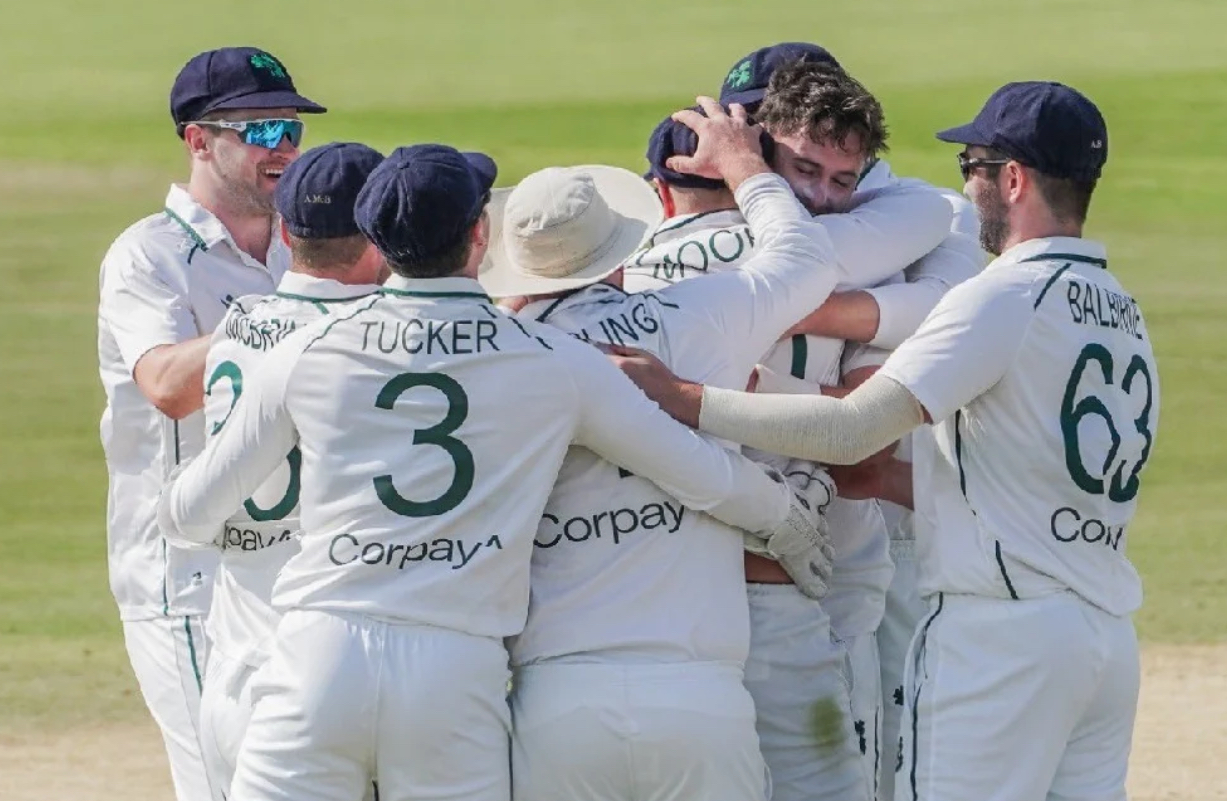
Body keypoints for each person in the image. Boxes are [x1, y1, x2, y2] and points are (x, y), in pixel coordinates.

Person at [155, 142, 832, 801]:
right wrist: (788, 522)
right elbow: (697, 471)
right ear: (479, 236)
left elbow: (186, 512)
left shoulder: (306, 349)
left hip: (316, 653)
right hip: (455, 667)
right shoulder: (553, 359)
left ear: (377, 242)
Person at [612, 81, 1159, 801]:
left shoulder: (1002, 295)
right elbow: (1025, 476)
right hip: (1105, 641)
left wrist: (683, 397)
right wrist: (900, 481)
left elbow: (851, 428)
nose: (966, 185)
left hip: (1001, 638)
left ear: (1014, 178)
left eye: (972, 163)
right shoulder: (1122, 311)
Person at [481, 99, 848, 801]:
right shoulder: (696, 310)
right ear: (621, 245)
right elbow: (806, 256)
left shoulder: (507, 356)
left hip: (556, 695)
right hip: (698, 688)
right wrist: (744, 166)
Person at [623, 91, 945, 801]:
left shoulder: (624, 279)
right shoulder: (822, 268)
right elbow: (862, 456)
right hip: (785, 601)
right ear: (755, 164)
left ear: (657, 191)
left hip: (651, 604)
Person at [718, 44, 988, 799]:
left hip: (871, 551)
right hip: (728, 559)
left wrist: (779, 297)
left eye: (840, 171)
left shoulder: (917, 209)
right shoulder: (726, 214)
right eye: (797, 164)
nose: (822, 191)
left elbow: (935, 317)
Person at [96, 45, 324, 801]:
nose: (284, 147)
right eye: (259, 131)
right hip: (186, 577)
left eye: (290, 128)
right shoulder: (150, 255)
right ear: (200, 140)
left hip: (294, 565)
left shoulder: (310, 247)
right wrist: (282, 316)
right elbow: (164, 383)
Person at [157, 142, 386, 799]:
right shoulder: (373, 340)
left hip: (235, 669)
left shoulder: (240, 323)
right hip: (330, 669)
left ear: (287, 231)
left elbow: (185, 513)